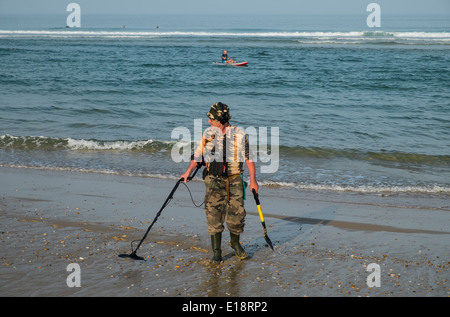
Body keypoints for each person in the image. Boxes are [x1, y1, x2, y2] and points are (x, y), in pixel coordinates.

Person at [181, 102, 258, 263]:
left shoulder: (239, 135)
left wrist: (253, 182)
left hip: (235, 180)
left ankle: (235, 244)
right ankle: (216, 251)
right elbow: (198, 155)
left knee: (237, 216)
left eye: (212, 118)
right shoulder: (207, 133)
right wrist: (188, 171)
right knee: (213, 215)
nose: (209, 121)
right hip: (213, 180)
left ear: (221, 119)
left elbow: (249, 159)